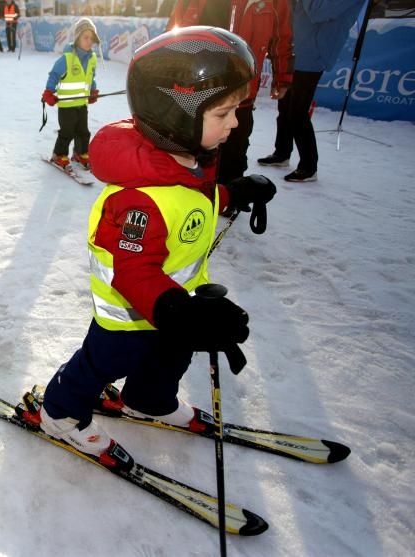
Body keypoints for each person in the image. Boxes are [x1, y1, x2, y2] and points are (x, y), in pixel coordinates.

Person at [33, 27, 277, 458]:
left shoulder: (187, 163)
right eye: (223, 114)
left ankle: (149, 399)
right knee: (102, 364)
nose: (235, 123)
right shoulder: (138, 198)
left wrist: (235, 193)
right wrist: (179, 311)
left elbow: (192, 203)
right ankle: (60, 413)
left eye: (235, 111)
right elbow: (134, 270)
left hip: (174, 304)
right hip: (129, 315)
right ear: (177, 115)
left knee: (170, 356)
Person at [166, 0, 293, 185]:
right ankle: (185, 186)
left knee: (235, 144)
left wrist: (283, 77)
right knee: (187, 142)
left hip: (240, 89)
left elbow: (282, 37)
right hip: (195, 83)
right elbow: (174, 30)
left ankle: (231, 192)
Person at [257, 0, 366, 183]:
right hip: (296, 49)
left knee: (298, 111)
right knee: (285, 105)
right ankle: (282, 153)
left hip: (313, 54)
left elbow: (319, 12)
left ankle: (308, 166)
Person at [42, 17, 100, 170]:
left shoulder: (92, 58)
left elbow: (90, 76)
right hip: (67, 104)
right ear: (77, 38)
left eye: (91, 38)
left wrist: (93, 91)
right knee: (67, 132)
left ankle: (80, 153)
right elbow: (54, 74)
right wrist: (49, 92)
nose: (89, 41)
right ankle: (58, 154)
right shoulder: (67, 58)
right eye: (85, 37)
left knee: (83, 132)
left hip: (82, 103)